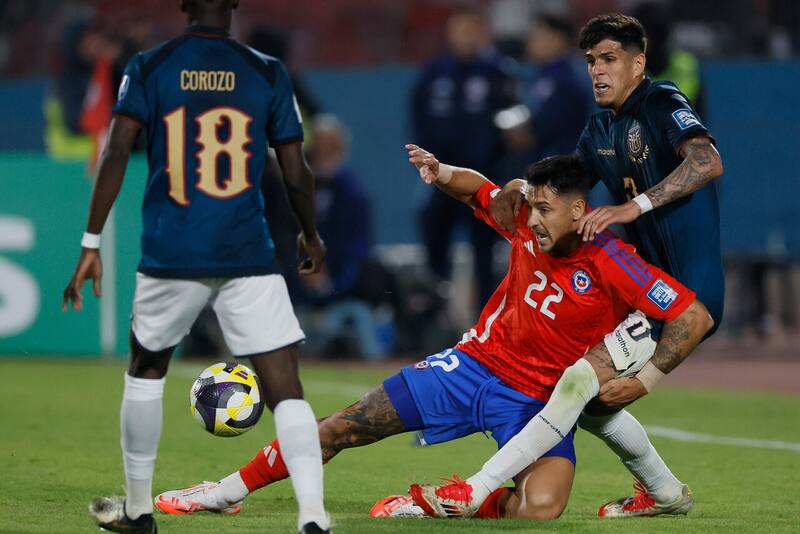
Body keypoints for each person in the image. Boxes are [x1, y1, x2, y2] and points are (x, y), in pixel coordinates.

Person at [153, 146, 709, 522]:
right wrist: (442, 173)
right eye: (532, 207)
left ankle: (448, 501)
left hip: (536, 401)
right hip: (472, 368)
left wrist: (649, 378)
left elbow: (692, 315)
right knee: (344, 428)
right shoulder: (521, 219)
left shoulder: (614, 259)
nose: (533, 220)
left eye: (546, 210)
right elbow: (481, 191)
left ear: (579, 209)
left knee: (541, 508)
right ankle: (224, 492)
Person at [61, 1, 331, 533]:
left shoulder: (149, 66)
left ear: (183, 5)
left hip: (172, 251)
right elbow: (295, 170)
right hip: (246, 252)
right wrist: (309, 232)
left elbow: (116, 152)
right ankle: (312, 518)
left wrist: (91, 240)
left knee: (145, 371)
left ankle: (139, 513)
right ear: (234, 5)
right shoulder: (267, 71)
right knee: (285, 388)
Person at [478, 13, 726, 516]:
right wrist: (522, 187)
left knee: (574, 380)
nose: (597, 71)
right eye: (591, 61)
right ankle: (665, 495)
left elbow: (707, 161)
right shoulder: (598, 128)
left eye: (609, 60)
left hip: (686, 297)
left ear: (638, 63)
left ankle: (475, 488)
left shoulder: (662, 102)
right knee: (590, 400)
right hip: (643, 297)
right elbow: (564, 188)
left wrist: (636, 206)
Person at [411, 8, 516, 307]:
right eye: (459, 30)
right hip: (442, 176)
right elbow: (418, 117)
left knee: (484, 250)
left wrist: (500, 170)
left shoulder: (498, 71)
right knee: (430, 223)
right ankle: (434, 298)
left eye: (471, 30)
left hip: (483, 178)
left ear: (482, 33)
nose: (465, 37)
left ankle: (488, 316)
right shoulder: (434, 72)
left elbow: (512, 124)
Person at [518, 14, 593, 161]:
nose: (530, 43)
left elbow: (561, 122)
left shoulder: (572, 77)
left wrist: (531, 133)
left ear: (557, 39)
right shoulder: (539, 74)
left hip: (563, 161)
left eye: (537, 37)